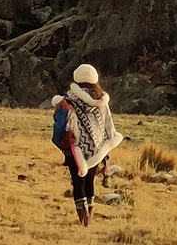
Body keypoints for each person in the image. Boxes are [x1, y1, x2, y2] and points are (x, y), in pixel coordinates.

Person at [50, 63, 123, 226]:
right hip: (96, 149)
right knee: (90, 182)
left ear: (77, 78)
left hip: (74, 149)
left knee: (78, 183)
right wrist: (108, 145)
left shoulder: (68, 99)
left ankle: (83, 219)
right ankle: (89, 214)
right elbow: (109, 127)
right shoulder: (102, 100)